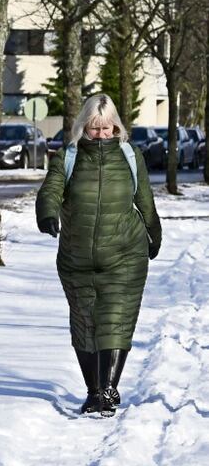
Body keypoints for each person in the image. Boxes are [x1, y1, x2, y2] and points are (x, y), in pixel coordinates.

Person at [36, 94, 161, 417]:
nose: (102, 135)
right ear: (83, 127)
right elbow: (51, 189)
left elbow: (144, 198)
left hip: (125, 253)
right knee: (84, 324)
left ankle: (107, 390)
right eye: (94, 129)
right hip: (76, 258)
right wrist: (47, 214)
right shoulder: (69, 156)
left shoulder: (130, 155)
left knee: (115, 320)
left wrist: (154, 232)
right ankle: (94, 391)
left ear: (116, 126)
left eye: (107, 129)